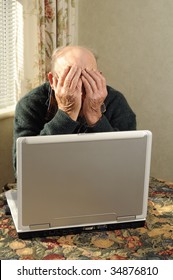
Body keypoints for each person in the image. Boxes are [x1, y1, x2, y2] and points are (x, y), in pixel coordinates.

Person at [13, 45, 136, 174]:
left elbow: (127, 163)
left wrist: (95, 116)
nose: (79, 88)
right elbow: (23, 170)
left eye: (89, 78)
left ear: (99, 77)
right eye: (70, 80)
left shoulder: (116, 101)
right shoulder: (30, 104)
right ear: (52, 81)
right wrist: (66, 113)